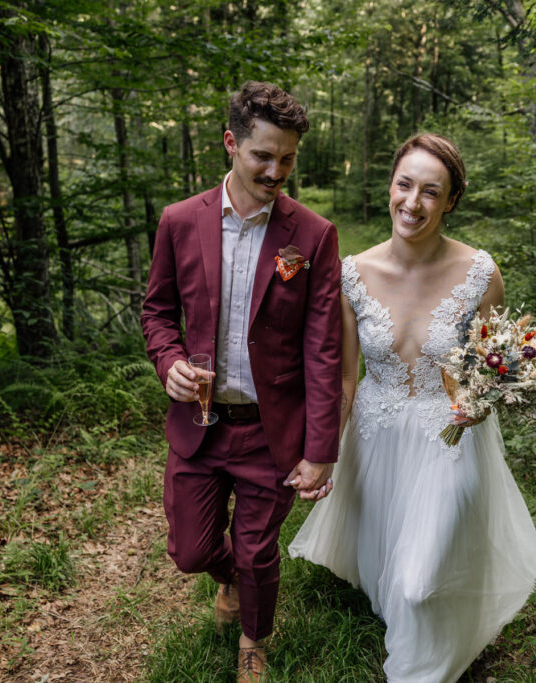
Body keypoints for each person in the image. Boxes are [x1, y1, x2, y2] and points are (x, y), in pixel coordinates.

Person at [289, 133, 536, 682]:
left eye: (431, 192)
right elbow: (344, 379)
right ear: (390, 187)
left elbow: (489, 362)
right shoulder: (351, 274)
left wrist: (481, 402)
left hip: (449, 433)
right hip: (377, 433)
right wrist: (325, 452)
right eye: (404, 185)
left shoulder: (480, 272)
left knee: (418, 579)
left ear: (450, 201)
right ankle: (401, 608)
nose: (413, 202)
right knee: (390, 569)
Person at [141, 81, 342, 683]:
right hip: (199, 425)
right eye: (263, 155)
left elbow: (324, 347)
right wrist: (168, 359)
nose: (276, 170)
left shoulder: (312, 236)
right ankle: (222, 577)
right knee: (191, 551)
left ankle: (254, 643)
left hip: (268, 430)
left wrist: (320, 449)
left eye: (287, 158)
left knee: (258, 550)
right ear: (232, 144)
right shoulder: (179, 222)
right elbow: (156, 312)